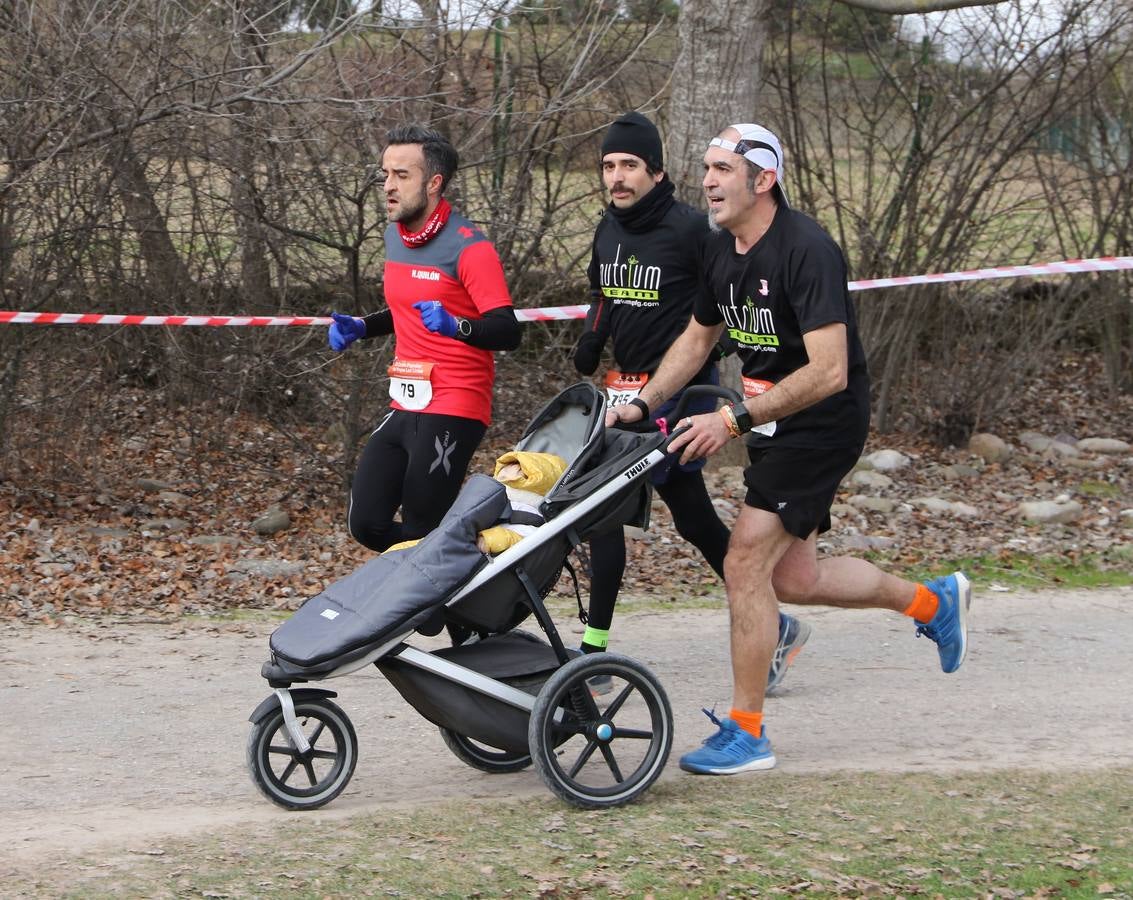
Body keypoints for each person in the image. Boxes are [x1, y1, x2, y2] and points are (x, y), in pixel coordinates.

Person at [606, 122, 971, 775]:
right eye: (707, 168)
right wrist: (643, 404)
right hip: (771, 420)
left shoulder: (806, 251)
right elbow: (695, 341)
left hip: (822, 420)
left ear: (762, 179)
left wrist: (732, 420)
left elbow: (829, 371)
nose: (708, 181)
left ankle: (747, 731)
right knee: (791, 578)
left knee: (743, 561)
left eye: (722, 169)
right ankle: (932, 602)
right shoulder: (722, 250)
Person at [574, 112, 810, 695]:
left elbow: (724, 302)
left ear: (656, 171)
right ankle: (598, 649)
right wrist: (591, 336)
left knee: (648, 509)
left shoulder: (690, 231)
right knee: (655, 515)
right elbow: (605, 293)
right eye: (609, 166)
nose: (618, 177)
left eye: (630, 165)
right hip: (627, 395)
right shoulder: (608, 230)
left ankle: (594, 653)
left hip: (679, 397)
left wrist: (720, 348)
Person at [328, 124, 520, 552]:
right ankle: (464, 559)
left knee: (421, 521)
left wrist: (457, 326)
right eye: (385, 175)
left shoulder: (471, 248)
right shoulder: (395, 238)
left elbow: (508, 330)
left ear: (434, 183)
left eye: (401, 175)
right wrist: (362, 326)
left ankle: (447, 590)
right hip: (407, 400)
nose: (388, 186)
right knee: (368, 523)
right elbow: (405, 310)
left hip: (456, 401)